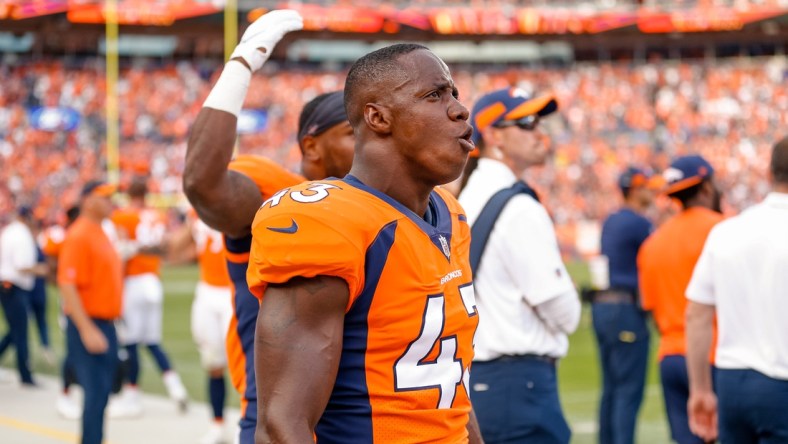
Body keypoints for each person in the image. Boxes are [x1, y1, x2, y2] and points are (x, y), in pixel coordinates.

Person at [246, 41, 481, 442]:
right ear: (378, 117)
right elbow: (281, 425)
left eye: (454, 94)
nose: (459, 109)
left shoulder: (449, 212)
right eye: (434, 94)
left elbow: (450, 390)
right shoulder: (328, 220)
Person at [183, 10, 355, 443]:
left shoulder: (387, 207)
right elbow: (204, 184)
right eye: (355, 132)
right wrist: (242, 65)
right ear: (312, 147)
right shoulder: (280, 194)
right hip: (278, 417)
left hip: (363, 411)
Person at [457, 87, 580, 443]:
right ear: (493, 135)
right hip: (519, 382)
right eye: (526, 123)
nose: (540, 132)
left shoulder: (469, 195)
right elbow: (565, 312)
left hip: (482, 379)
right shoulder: (518, 205)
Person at [685, 136, 788, 443]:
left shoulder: (726, 231)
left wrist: (701, 389)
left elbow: (697, 315)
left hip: (733, 382)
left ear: (769, 174)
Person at [637, 154, 724, 444]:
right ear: (707, 188)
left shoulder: (652, 244)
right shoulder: (722, 230)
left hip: (671, 355)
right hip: (713, 354)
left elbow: (649, 307)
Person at [109, 177, 188, 417]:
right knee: (152, 341)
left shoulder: (122, 216)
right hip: (154, 281)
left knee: (130, 342)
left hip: (133, 281)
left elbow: (120, 252)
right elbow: (165, 247)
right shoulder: (157, 215)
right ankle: (176, 388)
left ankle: (132, 397)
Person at [591, 167, 657, 444]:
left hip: (603, 309)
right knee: (628, 391)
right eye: (646, 187)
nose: (651, 192)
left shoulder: (612, 220)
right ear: (635, 189)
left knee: (612, 388)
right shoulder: (638, 223)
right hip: (625, 309)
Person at [57, 181, 124, 444]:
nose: (111, 201)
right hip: (89, 323)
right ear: (87, 201)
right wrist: (86, 329)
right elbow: (67, 283)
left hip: (106, 322)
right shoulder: (80, 234)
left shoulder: (100, 231)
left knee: (103, 393)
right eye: (104, 197)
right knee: (95, 394)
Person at [168, 212, 234, 444]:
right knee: (213, 364)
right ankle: (217, 425)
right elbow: (175, 249)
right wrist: (191, 221)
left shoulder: (236, 201)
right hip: (207, 291)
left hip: (233, 291)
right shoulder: (198, 213)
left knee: (243, 365)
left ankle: (248, 423)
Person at [0, 205, 40, 387]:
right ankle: (25, 375)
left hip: (7, 285)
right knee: (20, 332)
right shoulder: (21, 234)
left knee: (15, 331)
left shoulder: (10, 230)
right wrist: (43, 270)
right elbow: (22, 265)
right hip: (14, 286)